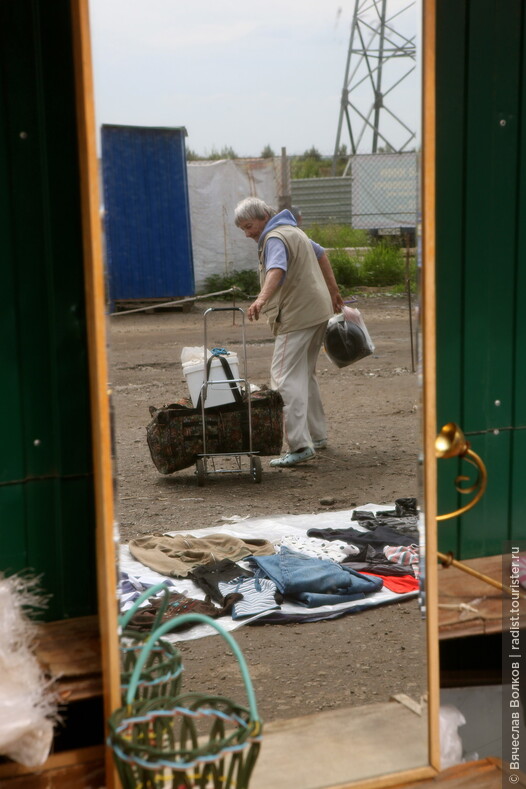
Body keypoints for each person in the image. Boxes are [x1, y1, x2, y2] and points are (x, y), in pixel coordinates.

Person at [234, 197, 344, 468]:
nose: (248, 233)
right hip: (318, 311)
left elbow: (276, 270)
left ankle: (299, 444)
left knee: (283, 378)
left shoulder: (274, 237)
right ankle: (317, 436)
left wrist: (261, 299)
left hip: (296, 315)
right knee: (305, 374)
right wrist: (333, 292)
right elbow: (321, 254)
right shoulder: (294, 230)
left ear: (262, 216)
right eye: (243, 229)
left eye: (249, 226)